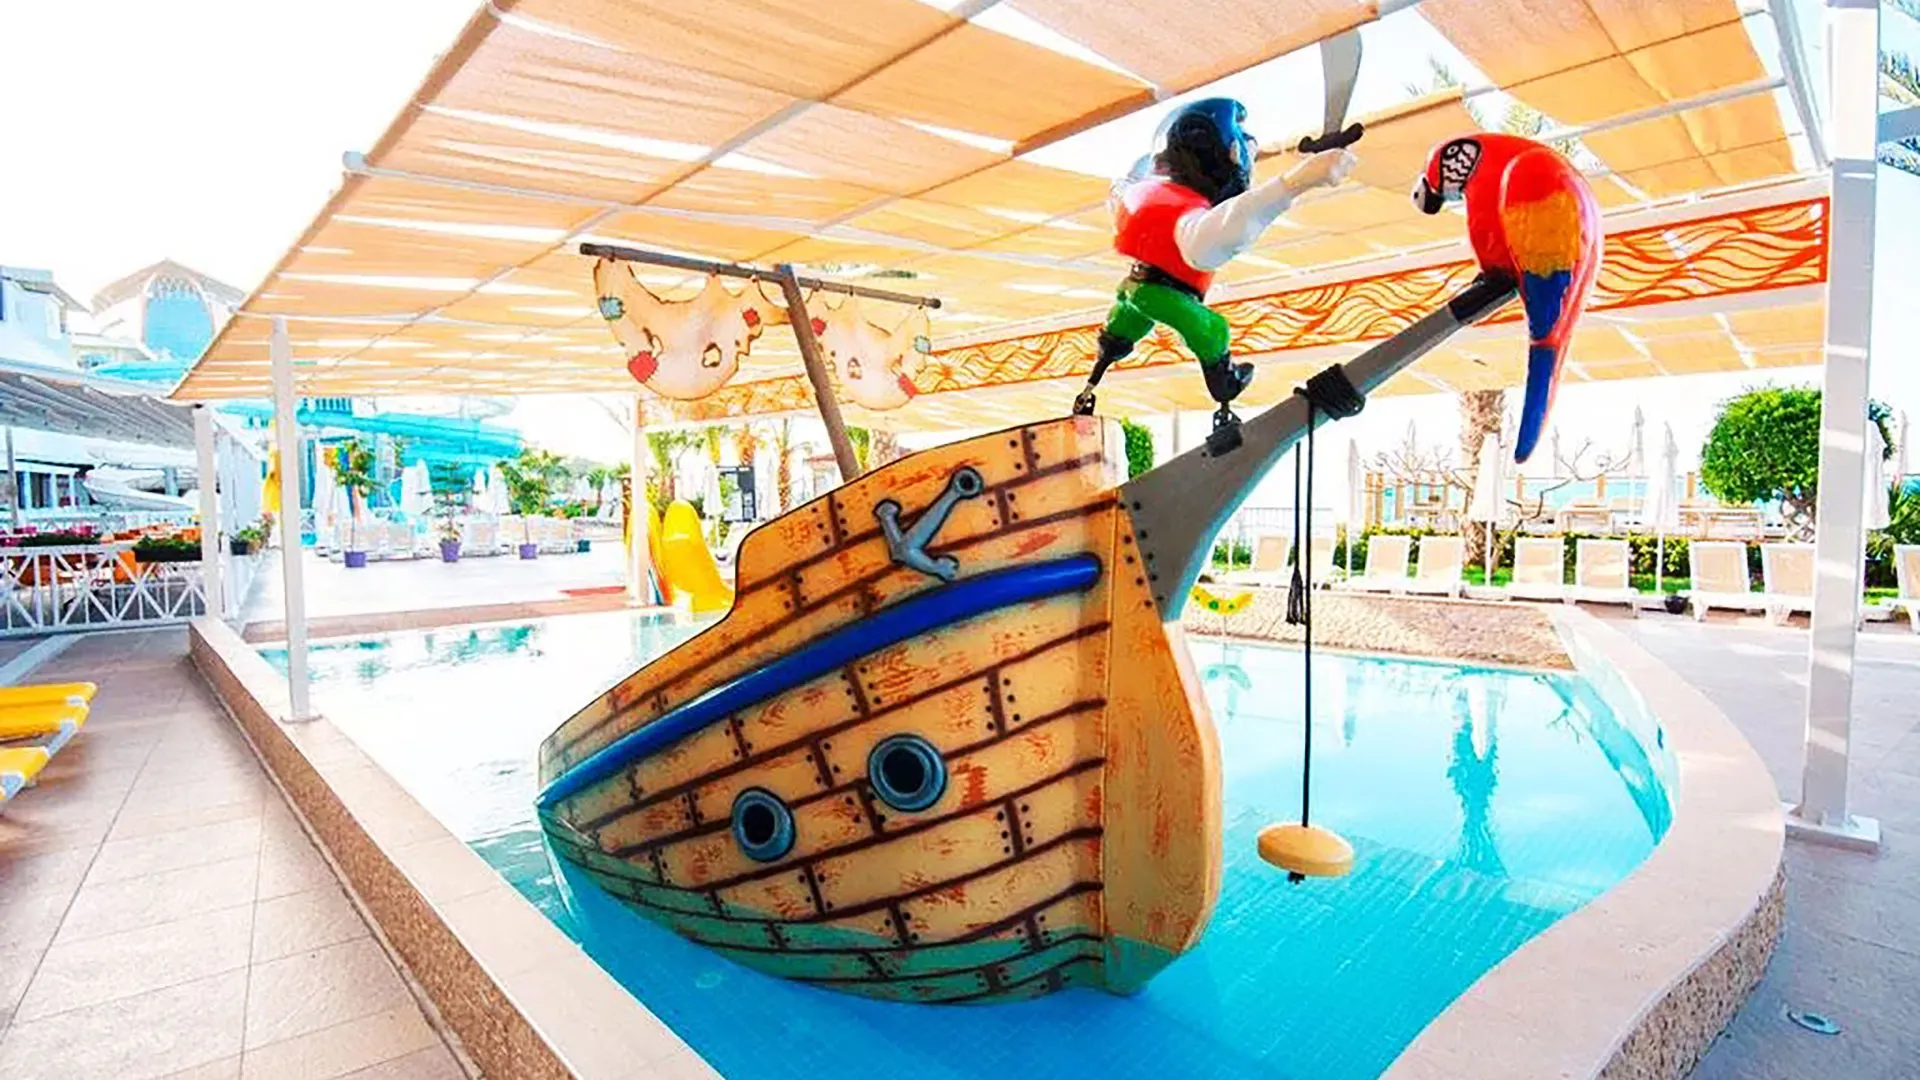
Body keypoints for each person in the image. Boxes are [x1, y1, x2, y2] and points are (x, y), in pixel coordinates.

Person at [1073, 97, 1358, 433]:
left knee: (1120, 332)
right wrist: (1296, 182)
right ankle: (1225, 383)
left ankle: (1098, 370)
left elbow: (1120, 190)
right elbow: (1224, 232)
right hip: (1165, 295)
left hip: (1132, 289)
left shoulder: (1142, 195)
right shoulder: (1186, 213)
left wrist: (1132, 175)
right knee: (1212, 331)